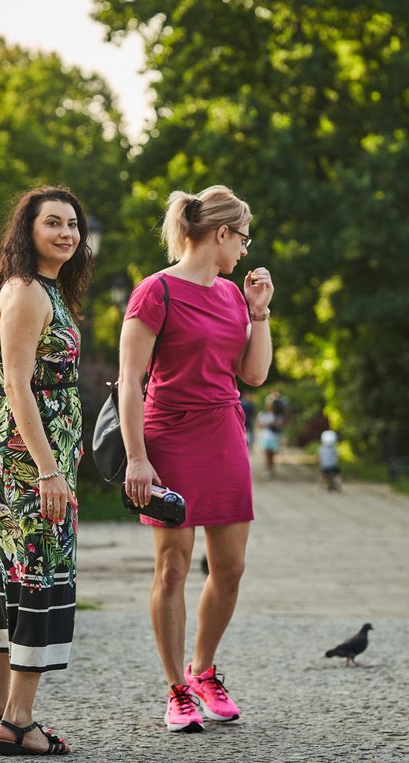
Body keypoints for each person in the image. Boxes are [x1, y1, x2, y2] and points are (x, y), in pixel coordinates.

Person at [117, 185, 273, 733]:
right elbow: (129, 384)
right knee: (173, 567)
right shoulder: (154, 292)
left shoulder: (234, 295)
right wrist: (137, 458)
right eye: (243, 238)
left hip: (223, 430)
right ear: (222, 233)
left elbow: (253, 376)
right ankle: (177, 690)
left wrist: (259, 314)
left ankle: (203, 669)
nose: (245, 252)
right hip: (169, 435)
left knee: (230, 568)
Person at [0, 186, 92, 756]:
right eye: (53, 223)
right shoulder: (24, 292)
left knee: (11, 580)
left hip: (35, 460)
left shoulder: (45, 288)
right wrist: (48, 470)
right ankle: (20, 723)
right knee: (36, 580)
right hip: (25, 466)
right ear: (28, 230)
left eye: (73, 224)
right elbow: (17, 384)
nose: (66, 233)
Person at [256, 396, 283, 478]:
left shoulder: (277, 415)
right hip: (265, 437)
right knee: (266, 454)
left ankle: (271, 469)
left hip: (274, 437)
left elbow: (278, 424)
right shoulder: (262, 414)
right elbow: (259, 424)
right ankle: (267, 470)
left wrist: (268, 424)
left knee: (272, 455)